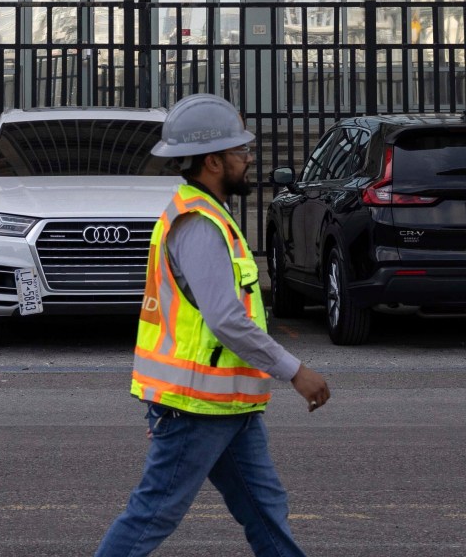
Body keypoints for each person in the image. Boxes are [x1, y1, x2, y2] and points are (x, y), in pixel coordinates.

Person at [95, 94, 331, 557]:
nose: (248, 158)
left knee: (265, 510)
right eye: (240, 152)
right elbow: (226, 320)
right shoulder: (198, 224)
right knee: (152, 515)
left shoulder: (212, 215)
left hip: (227, 404)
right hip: (195, 406)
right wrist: (294, 371)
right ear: (213, 161)